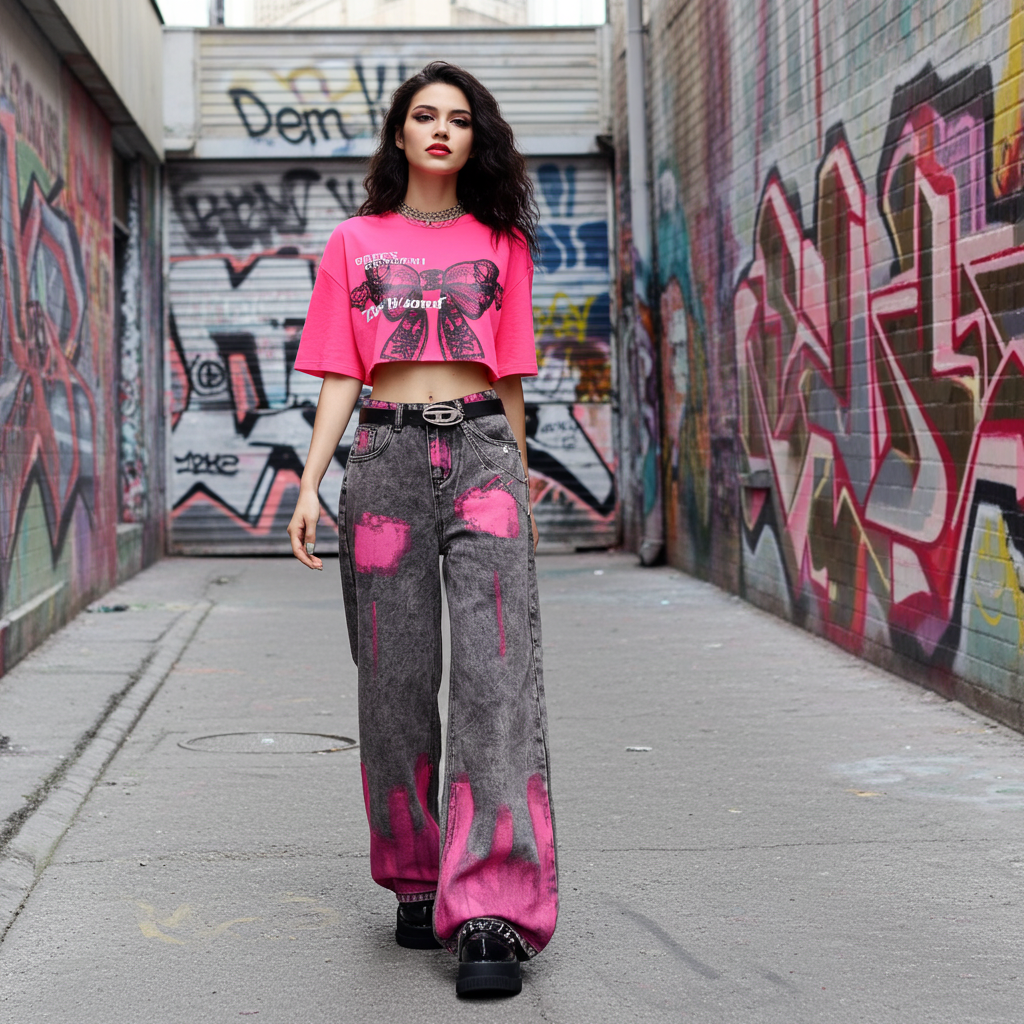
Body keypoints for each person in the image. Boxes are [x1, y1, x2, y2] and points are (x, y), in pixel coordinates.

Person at [286, 61, 557, 998]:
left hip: (482, 457)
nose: (441, 130)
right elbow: (337, 373)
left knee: (494, 677)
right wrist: (311, 482)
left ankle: (491, 911)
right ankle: (414, 874)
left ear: (475, 138)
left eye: (458, 119)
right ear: (398, 135)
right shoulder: (354, 241)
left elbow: (511, 372)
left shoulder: (504, 241)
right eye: (423, 116)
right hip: (385, 464)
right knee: (393, 682)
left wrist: (520, 478)